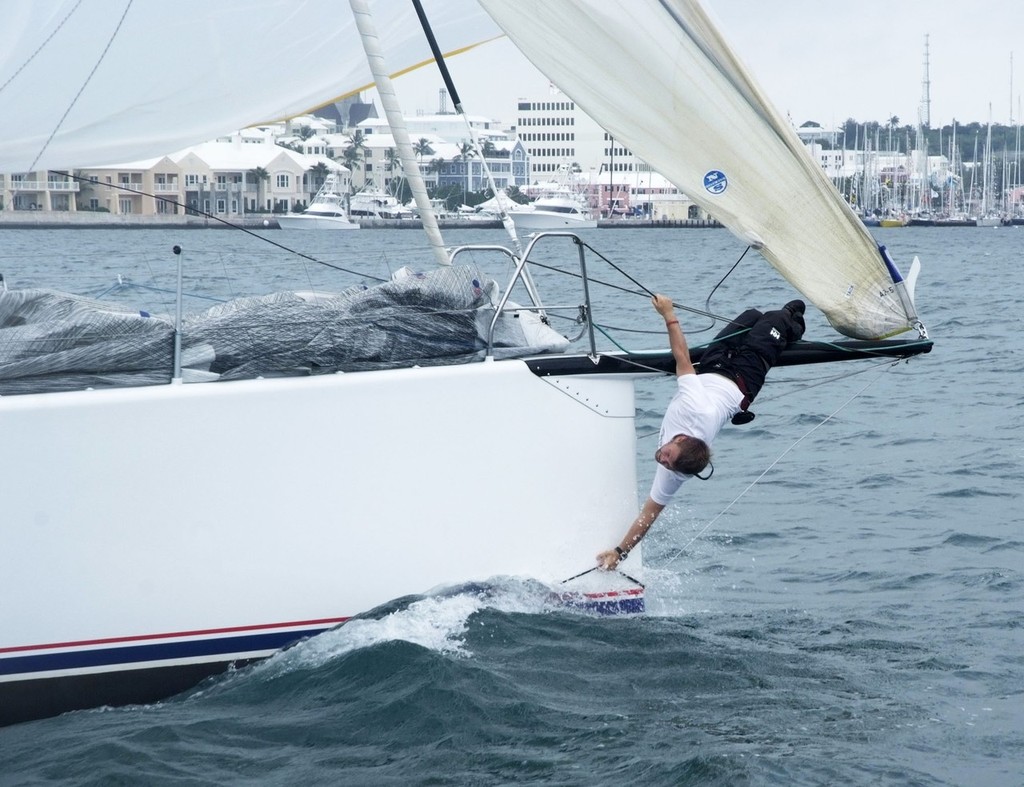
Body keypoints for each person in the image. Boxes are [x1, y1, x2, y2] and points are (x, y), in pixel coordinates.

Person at [596, 293, 806, 570]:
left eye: (667, 461)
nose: (662, 459)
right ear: (681, 438)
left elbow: (649, 514)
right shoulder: (696, 411)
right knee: (773, 317)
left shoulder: (675, 469)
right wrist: (668, 314)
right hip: (745, 376)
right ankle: (794, 321)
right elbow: (681, 355)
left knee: (755, 318)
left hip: (711, 367)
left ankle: (786, 323)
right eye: (668, 456)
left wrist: (619, 552)